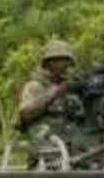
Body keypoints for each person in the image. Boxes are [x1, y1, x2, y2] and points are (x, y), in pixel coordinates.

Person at [18, 39, 87, 169]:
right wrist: (54, 93)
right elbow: (26, 114)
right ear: (48, 63)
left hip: (72, 154)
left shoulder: (70, 88)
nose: (65, 65)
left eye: (66, 61)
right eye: (60, 61)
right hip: (45, 156)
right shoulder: (35, 86)